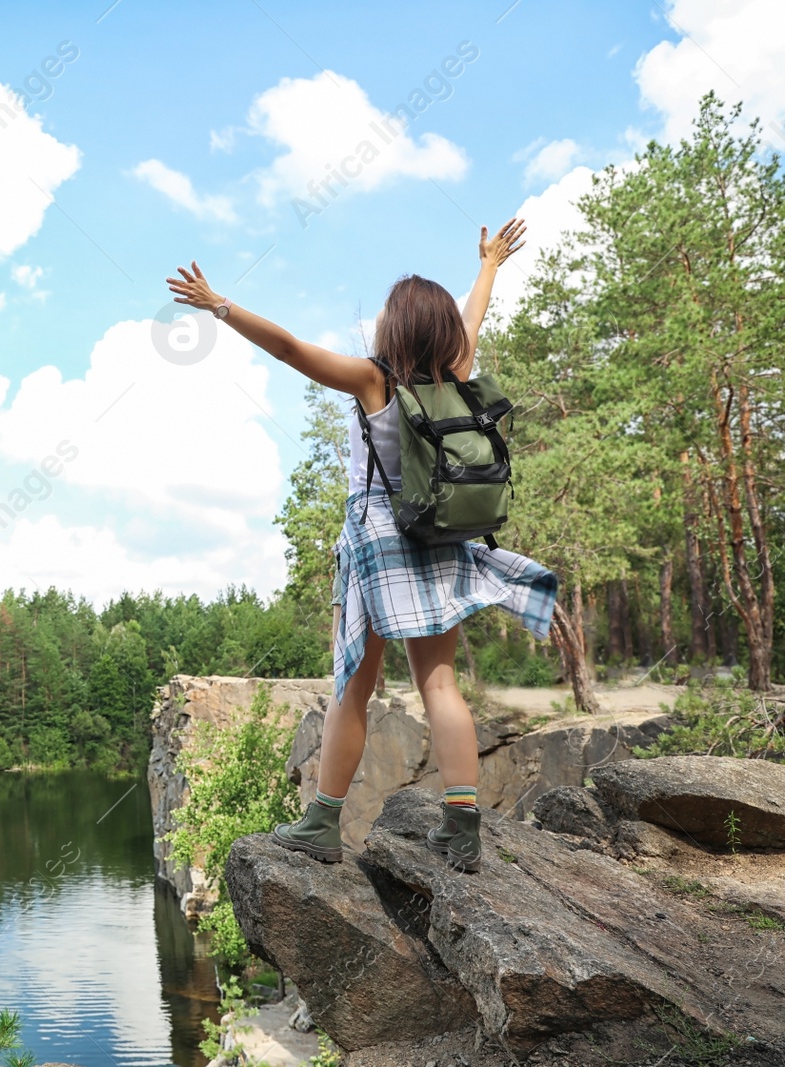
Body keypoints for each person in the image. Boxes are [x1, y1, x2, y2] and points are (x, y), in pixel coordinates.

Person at [164, 219, 557, 873]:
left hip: (382, 541)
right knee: (440, 682)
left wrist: (221, 307)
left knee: (354, 685)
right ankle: (462, 830)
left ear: (393, 330)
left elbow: (289, 348)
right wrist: (489, 265)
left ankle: (322, 821)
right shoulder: (455, 374)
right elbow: (473, 316)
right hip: (443, 535)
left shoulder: (376, 381)